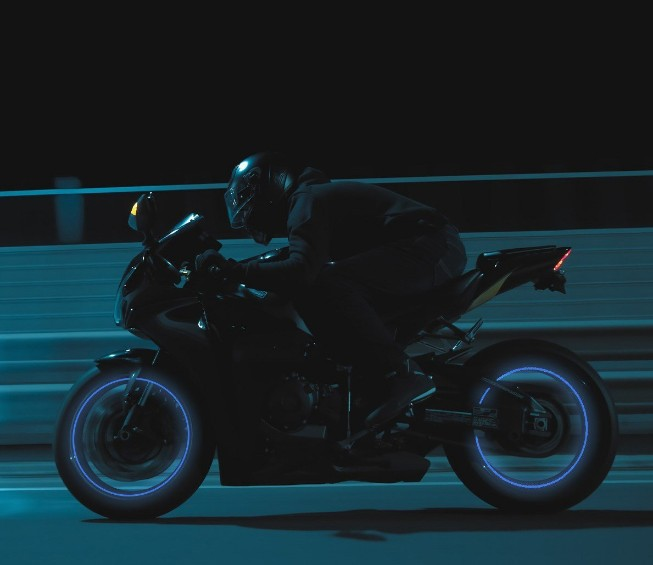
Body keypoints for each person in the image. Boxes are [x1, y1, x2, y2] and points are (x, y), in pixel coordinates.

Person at [196, 150, 468, 433]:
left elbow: (300, 271)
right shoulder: (307, 204)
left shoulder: (307, 201)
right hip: (422, 250)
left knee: (327, 283)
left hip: (431, 247)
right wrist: (236, 269)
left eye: (248, 196)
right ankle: (362, 391)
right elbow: (291, 259)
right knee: (322, 291)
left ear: (270, 184)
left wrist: (233, 271)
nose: (248, 208)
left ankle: (402, 374)